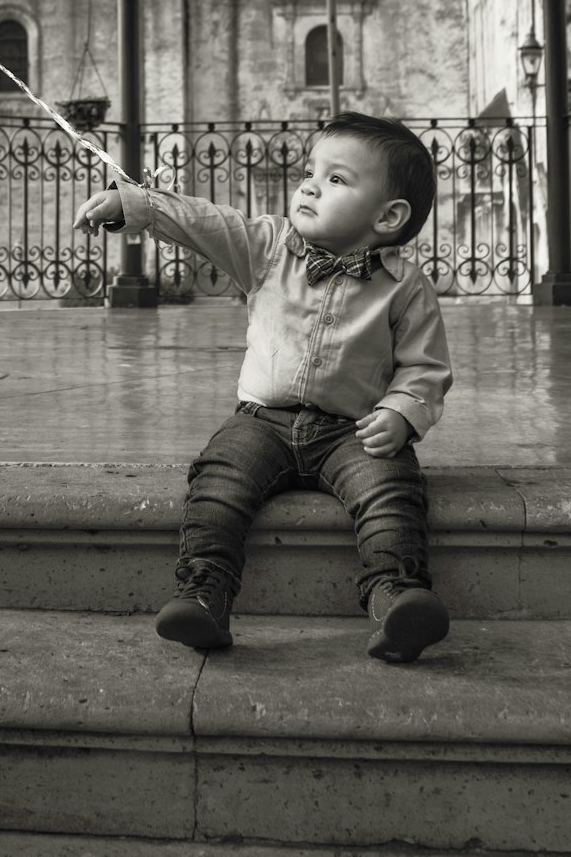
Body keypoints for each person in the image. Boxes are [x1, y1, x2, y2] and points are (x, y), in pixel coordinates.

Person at [73, 111, 452, 664]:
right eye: (309, 172)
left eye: (336, 180)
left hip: (354, 432)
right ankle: (204, 593)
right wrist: (136, 205)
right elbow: (206, 222)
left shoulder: (407, 288)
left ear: (390, 216)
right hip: (261, 422)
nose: (308, 185)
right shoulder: (269, 247)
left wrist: (401, 412)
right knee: (218, 484)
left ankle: (397, 598)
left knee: (391, 492)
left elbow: (425, 366)